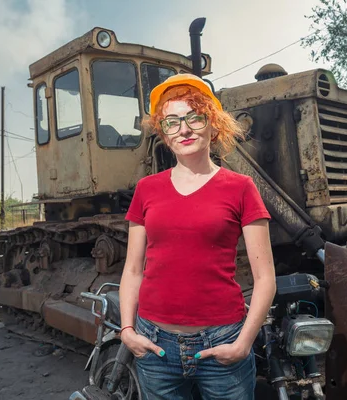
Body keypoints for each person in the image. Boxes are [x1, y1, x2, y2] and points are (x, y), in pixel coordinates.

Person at [118, 73, 276, 400]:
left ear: (212, 124)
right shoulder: (147, 189)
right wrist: (127, 331)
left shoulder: (241, 188)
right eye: (172, 122)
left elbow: (265, 278)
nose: (184, 129)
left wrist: (244, 343)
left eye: (194, 118)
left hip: (222, 343)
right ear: (163, 132)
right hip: (155, 347)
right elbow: (133, 270)